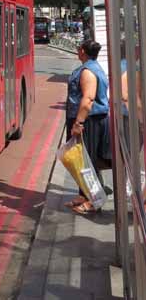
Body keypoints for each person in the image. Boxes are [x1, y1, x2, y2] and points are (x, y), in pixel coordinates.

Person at [65, 39, 111, 214]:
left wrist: (78, 123)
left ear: (83, 51)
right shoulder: (92, 67)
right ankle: (83, 195)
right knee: (81, 159)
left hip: (89, 121)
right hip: (88, 119)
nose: (77, 51)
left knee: (87, 161)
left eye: (78, 49)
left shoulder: (88, 72)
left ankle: (94, 201)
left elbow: (88, 99)